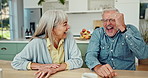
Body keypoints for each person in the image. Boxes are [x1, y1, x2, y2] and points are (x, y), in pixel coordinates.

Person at [11, 10, 83, 78]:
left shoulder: (68, 36)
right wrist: (41, 66)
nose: (68, 27)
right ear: (51, 29)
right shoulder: (37, 42)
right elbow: (17, 62)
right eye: (65, 24)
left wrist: (55, 69)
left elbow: (78, 60)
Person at [85, 8, 148, 78]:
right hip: (104, 76)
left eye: (112, 20)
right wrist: (98, 67)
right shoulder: (98, 33)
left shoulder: (131, 30)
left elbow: (143, 55)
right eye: (105, 20)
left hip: (127, 75)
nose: (108, 23)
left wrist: (122, 28)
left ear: (119, 20)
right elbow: (90, 55)